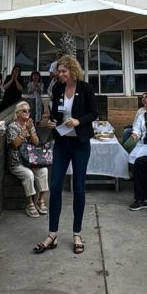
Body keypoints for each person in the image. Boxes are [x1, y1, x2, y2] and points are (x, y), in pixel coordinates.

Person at [33, 54, 97, 256]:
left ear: (73, 71)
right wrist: (52, 121)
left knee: (79, 188)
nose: (59, 75)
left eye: (63, 72)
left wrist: (79, 121)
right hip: (61, 142)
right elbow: (56, 114)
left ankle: (77, 233)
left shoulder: (85, 88)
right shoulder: (58, 89)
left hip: (79, 143)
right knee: (55, 186)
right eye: (58, 71)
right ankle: (52, 234)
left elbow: (93, 113)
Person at [6, 101, 49, 217]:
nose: (27, 113)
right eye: (24, 111)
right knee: (29, 175)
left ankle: (40, 200)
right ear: (17, 113)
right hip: (17, 162)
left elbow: (36, 143)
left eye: (29, 111)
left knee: (44, 170)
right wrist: (25, 131)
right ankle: (30, 204)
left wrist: (30, 130)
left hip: (30, 160)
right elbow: (15, 144)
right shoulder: (12, 127)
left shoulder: (30, 124)